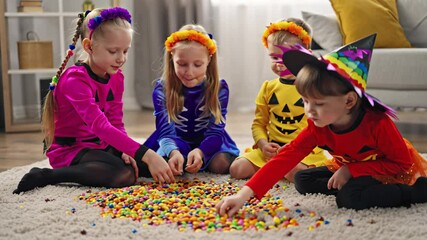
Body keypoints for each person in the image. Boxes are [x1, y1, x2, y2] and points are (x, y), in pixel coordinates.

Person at [216, 34, 427, 216]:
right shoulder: (318, 125)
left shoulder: (377, 123)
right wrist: (243, 195)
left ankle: (418, 192)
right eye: (306, 101)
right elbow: (285, 158)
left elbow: (401, 164)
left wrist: (352, 170)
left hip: (392, 171)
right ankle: (353, 184)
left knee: (349, 199)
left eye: (318, 103)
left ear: (349, 101)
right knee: (302, 179)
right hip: (350, 166)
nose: (309, 110)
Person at [13, 7, 176, 194]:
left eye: (125, 51)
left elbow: (115, 122)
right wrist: (146, 154)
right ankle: (47, 175)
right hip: (71, 149)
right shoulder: (75, 80)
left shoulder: (116, 77)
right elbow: (100, 126)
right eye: (114, 51)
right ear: (89, 46)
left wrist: (125, 150)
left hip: (101, 145)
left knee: (147, 165)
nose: (121, 58)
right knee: (124, 175)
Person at [229, 18, 327, 182]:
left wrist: (293, 149)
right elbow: (259, 124)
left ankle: (282, 168)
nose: (280, 64)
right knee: (236, 169)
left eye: (287, 58)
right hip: (272, 148)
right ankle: (277, 166)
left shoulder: (313, 87)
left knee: (296, 174)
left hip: (303, 150)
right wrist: (263, 145)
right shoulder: (268, 87)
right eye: (274, 58)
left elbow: (321, 125)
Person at [143, 24, 239, 175]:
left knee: (221, 165)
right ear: (172, 58)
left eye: (198, 64)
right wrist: (173, 152)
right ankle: (182, 158)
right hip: (175, 141)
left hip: (209, 141)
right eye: (181, 64)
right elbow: (165, 132)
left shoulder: (219, 88)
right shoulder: (162, 89)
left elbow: (215, 131)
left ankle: (199, 160)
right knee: (167, 164)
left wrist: (201, 152)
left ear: (209, 60)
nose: (189, 72)